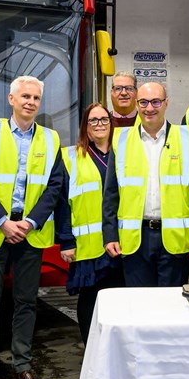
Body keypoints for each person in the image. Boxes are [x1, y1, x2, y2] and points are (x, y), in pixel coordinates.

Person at [0, 75, 66, 379]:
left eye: (36, 98)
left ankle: (23, 368)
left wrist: (29, 221)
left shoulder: (51, 140)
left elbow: (54, 188)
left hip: (31, 233)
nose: (30, 102)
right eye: (25, 96)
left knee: (26, 303)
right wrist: (3, 222)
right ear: (10, 99)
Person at [103, 81, 189, 287]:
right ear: (136, 104)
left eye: (155, 102)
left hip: (176, 240)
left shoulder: (187, 137)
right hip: (135, 239)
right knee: (139, 306)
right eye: (143, 102)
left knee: (172, 307)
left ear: (166, 103)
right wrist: (110, 236)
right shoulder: (121, 139)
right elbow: (111, 193)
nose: (149, 108)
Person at [56, 103, 124, 342]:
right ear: (85, 126)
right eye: (93, 120)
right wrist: (66, 241)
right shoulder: (71, 156)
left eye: (104, 119)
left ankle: (114, 348)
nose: (99, 125)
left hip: (122, 241)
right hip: (89, 245)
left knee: (120, 298)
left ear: (111, 122)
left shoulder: (124, 152)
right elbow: (62, 203)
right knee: (90, 298)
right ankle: (91, 348)